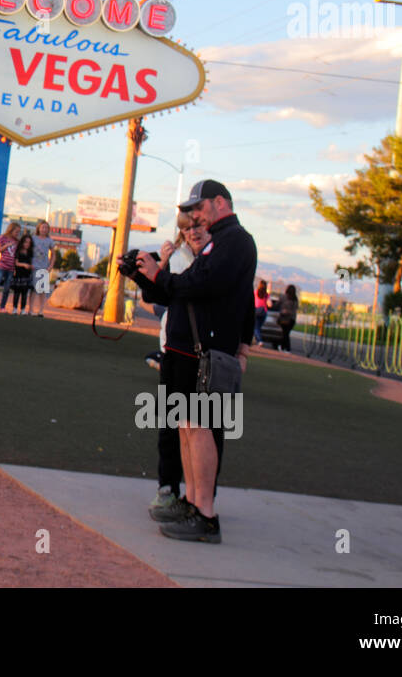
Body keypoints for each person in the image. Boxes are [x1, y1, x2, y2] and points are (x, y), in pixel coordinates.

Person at [131, 180, 256, 544]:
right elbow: (185, 288)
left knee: (199, 429)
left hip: (206, 354)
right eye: (190, 216)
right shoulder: (222, 240)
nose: (195, 218)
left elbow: (201, 285)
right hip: (188, 351)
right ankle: (192, 502)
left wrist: (159, 274)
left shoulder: (235, 240)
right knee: (188, 428)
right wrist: (150, 275)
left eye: (198, 209)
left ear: (220, 202)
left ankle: (205, 513)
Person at [144, 211, 208, 517]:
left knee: (206, 428)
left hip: (208, 355)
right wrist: (158, 268)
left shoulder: (219, 258)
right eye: (186, 227)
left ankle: (201, 500)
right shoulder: (176, 256)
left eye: (198, 225)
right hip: (174, 348)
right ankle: (168, 488)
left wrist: (243, 350)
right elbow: (154, 295)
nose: (192, 232)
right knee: (172, 425)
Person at [28, 220, 56, 317]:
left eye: (46, 228)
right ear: (38, 228)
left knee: (42, 290)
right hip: (34, 266)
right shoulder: (33, 238)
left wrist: (50, 266)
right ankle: (30, 309)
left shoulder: (50, 241)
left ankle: (41, 310)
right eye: (42, 227)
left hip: (44, 267)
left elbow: (53, 254)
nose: (44, 229)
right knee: (33, 289)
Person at [11, 233, 35, 314]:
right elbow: (16, 263)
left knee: (24, 294)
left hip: (27, 275)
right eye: (25, 242)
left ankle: (23, 309)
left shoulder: (30, 253)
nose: (27, 244)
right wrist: (24, 265)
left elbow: (31, 263)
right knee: (17, 293)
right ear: (22, 242)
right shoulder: (18, 251)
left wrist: (30, 266)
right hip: (19, 275)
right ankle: (14, 308)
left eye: (29, 242)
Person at [278, 284, 299, 352]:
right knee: (285, 334)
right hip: (291, 319)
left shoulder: (284, 297)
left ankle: (286, 348)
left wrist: (285, 311)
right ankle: (283, 347)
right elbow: (295, 310)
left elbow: (277, 304)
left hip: (285, 318)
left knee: (285, 334)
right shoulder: (295, 299)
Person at [253, 279, 269, 345]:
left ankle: (259, 340)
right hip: (263, 312)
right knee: (258, 327)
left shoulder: (255, 292)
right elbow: (270, 304)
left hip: (256, 311)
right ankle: (257, 339)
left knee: (255, 327)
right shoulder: (266, 295)